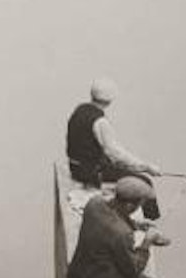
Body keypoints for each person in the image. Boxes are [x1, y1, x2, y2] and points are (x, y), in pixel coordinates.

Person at [67, 175, 174, 278]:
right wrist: (146, 242)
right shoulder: (121, 235)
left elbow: (111, 216)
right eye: (138, 205)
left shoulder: (94, 203)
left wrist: (136, 224)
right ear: (129, 206)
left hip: (78, 273)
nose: (138, 208)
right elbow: (133, 270)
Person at [66, 77, 161, 218]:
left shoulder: (80, 110)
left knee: (123, 169)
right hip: (90, 173)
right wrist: (146, 167)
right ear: (110, 99)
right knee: (145, 182)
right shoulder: (100, 121)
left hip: (76, 168)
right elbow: (114, 152)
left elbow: (87, 146)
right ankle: (152, 222)